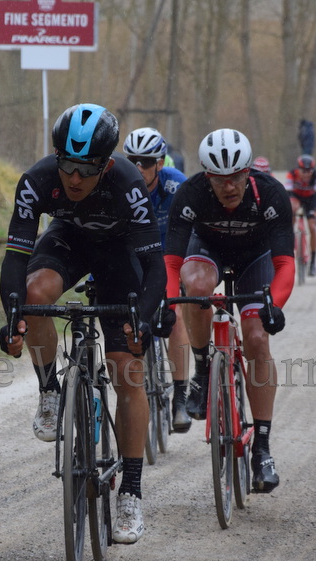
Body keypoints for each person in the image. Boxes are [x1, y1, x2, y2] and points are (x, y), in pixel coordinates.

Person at [0, 103, 166, 544]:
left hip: (118, 254)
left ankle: (130, 491)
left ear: (106, 164)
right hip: (68, 242)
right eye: (67, 165)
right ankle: (50, 391)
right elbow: (16, 258)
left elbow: (155, 268)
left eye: (86, 169)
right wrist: (13, 320)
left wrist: (143, 321)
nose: (74, 178)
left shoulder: (128, 183)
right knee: (34, 296)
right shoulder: (37, 180)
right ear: (57, 156)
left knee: (127, 369)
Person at [164, 128, 294, 493]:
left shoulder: (269, 194)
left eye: (237, 176)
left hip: (257, 258)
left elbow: (285, 264)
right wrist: (167, 303)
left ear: (249, 171)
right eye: (220, 179)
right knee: (198, 288)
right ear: (207, 176)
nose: (230, 186)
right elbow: (172, 263)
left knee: (256, 339)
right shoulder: (190, 194)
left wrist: (274, 306)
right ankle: (204, 368)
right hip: (208, 252)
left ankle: (263, 448)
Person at [123, 126, 191, 433]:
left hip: (171, 255)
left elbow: (195, 228)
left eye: (145, 161)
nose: (138, 167)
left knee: (174, 317)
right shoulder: (121, 185)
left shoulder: (176, 186)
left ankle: (180, 395)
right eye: (132, 159)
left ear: (160, 164)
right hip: (137, 257)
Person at [284, 154, 316, 276]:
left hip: (311, 200)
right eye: (303, 171)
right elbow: (288, 194)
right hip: (296, 197)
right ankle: (289, 235)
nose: (306, 174)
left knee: (312, 227)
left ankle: (313, 263)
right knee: (291, 208)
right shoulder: (291, 174)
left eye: (309, 171)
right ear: (298, 169)